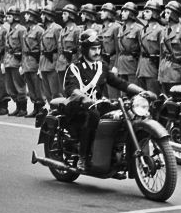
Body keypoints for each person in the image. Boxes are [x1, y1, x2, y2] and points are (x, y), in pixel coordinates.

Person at [63, 29, 155, 172]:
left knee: (125, 113)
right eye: (93, 49)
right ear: (85, 49)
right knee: (92, 116)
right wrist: (85, 98)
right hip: (78, 107)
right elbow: (71, 89)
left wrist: (141, 91)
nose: (97, 52)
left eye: (99, 48)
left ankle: (117, 150)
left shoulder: (102, 67)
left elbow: (120, 83)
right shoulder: (75, 68)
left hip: (97, 104)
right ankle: (82, 157)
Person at [158, 1, 181, 95]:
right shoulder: (163, 31)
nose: (165, 14)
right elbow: (161, 54)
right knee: (165, 99)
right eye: (165, 12)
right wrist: (160, 74)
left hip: (177, 72)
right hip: (164, 71)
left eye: (168, 12)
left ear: (175, 14)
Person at [2, 5, 28, 116]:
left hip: (17, 62)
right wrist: (3, 62)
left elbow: (24, 48)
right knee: (10, 87)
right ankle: (18, 106)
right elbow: (6, 48)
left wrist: (23, 63)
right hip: (9, 61)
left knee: (19, 86)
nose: (8, 18)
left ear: (16, 17)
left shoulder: (21, 29)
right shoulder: (10, 30)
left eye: (10, 16)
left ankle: (23, 108)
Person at [134, 0, 164, 94]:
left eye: (147, 11)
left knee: (153, 96)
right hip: (142, 68)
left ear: (154, 13)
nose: (144, 13)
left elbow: (162, 52)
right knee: (142, 96)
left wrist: (160, 72)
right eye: (144, 11)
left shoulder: (160, 30)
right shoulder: (143, 30)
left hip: (153, 68)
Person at [21, 7, 46, 117]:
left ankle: (41, 109)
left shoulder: (39, 30)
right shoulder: (27, 30)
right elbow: (23, 50)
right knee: (31, 88)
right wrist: (22, 64)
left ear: (32, 16)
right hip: (27, 63)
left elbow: (42, 50)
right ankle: (35, 107)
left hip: (35, 62)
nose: (25, 16)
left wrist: (41, 66)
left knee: (38, 87)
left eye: (27, 14)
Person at [114, 2, 142, 86]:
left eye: (125, 11)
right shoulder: (120, 28)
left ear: (132, 13)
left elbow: (142, 50)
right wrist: (116, 66)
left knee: (133, 89)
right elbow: (118, 50)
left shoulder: (138, 29)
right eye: (122, 11)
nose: (122, 13)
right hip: (121, 63)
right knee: (123, 91)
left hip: (132, 64)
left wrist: (139, 68)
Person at [38, 8, 62, 102]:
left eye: (43, 15)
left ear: (48, 16)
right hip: (44, 63)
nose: (41, 17)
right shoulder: (45, 30)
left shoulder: (57, 28)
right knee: (47, 92)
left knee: (55, 91)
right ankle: (50, 109)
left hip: (53, 63)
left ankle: (58, 111)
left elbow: (60, 48)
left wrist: (59, 64)